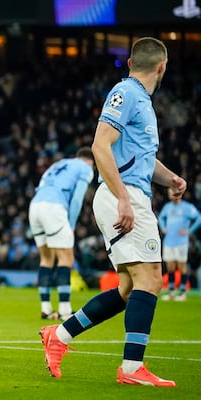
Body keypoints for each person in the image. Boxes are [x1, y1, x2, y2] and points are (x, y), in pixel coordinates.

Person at [39, 37, 185, 387]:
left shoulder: (142, 102)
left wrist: (171, 179)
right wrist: (122, 197)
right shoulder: (127, 93)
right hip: (125, 196)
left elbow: (142, 160)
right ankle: (132, 368)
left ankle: (59, 335)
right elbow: (99, 146)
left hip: (131, 192)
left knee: (127, 288)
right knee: (150, 279)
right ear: (161, 66)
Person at [28, 147, 94, 321]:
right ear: (91, 162)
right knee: (66, 258)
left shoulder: (59, 164)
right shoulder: (85, 168)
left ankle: (46, 308)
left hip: (35, 206)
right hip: (54, 207)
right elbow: (78, 198)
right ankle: (65, 310)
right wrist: (71, 225)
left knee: (46, 259)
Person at [158, 188, 201, 301]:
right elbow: (161, 218)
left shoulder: (187, 207)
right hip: (168, 241)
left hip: (181, 241)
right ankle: (171, 291)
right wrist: (163, 228)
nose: (171, 194)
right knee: (170, 267)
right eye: (169, 192)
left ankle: (182, 292)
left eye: (173, 192)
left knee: (182, 266)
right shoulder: (167, 207)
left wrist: (190, 230)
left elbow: (199, 218)